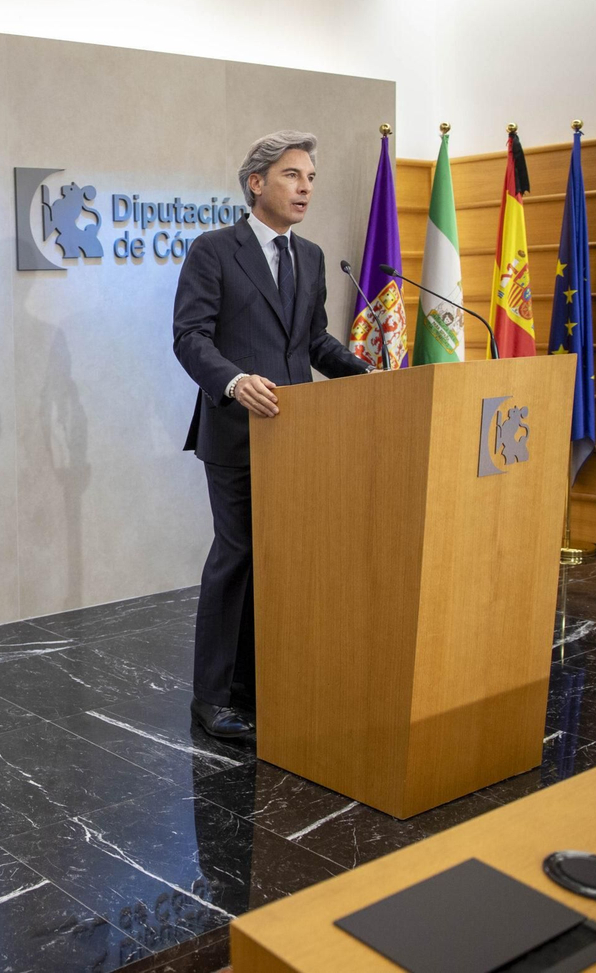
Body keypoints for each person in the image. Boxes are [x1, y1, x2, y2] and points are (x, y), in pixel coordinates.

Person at [172, 131, 373, 739]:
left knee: (281, 560)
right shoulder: (213, 250)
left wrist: (373, 375)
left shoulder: (310, 257)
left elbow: (312, 342)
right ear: (256, 183)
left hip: (297, 437)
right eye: (292, 175)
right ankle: (211, 699)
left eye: (310, 177)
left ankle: (260, 685)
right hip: (235, 431)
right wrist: (234, 383)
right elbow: (190, 338)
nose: (305, 187)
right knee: (236, 556)